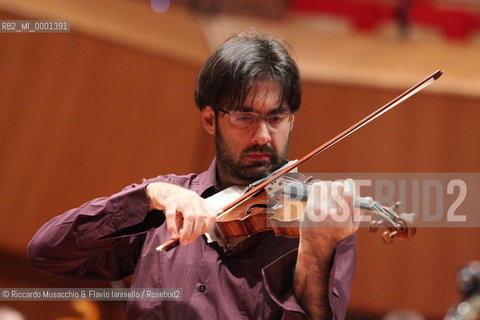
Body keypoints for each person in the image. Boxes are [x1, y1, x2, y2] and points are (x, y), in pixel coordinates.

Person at [28, 30, 358, 320]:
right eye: (245, 118)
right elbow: (46, 252)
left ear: (291, 120)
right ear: (210, 120)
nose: (263, 136)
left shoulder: (321, 216)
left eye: (276, 119)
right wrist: (150, 195)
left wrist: (316, 251)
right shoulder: (164, 207)